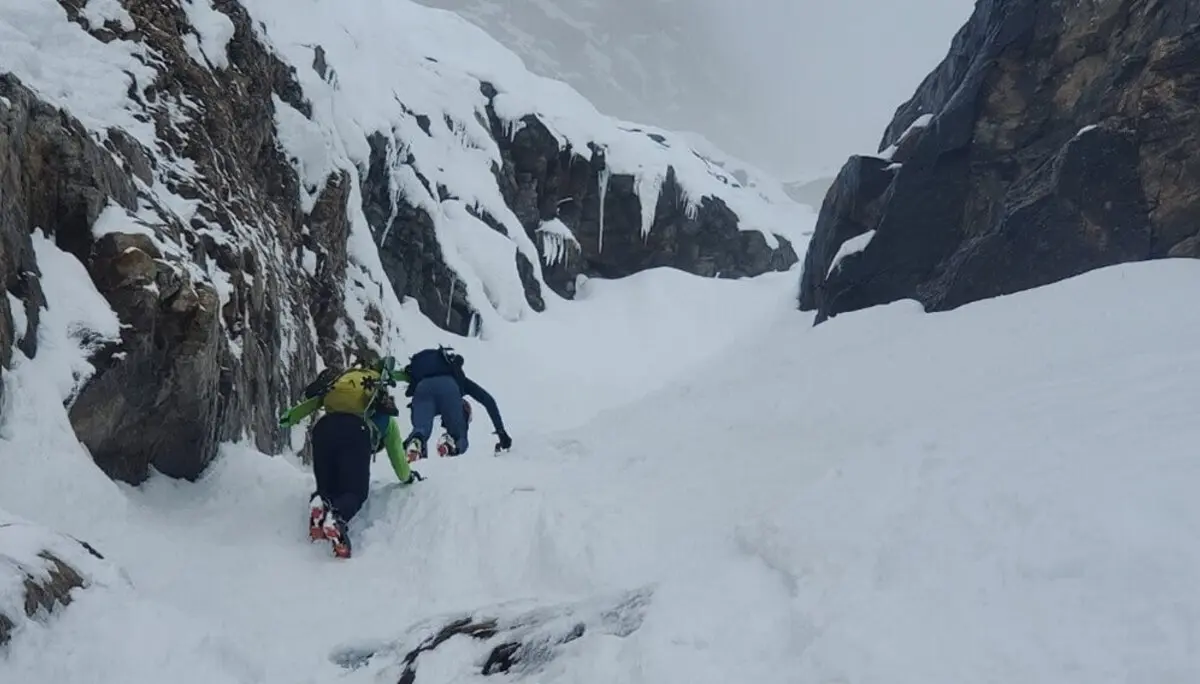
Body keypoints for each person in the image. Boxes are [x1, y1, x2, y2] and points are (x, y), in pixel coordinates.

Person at [278, 355, 422, 559]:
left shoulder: (339, 386)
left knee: (327, 487)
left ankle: (320, 502)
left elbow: (311, 404)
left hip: (323, 429)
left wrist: (288, 418)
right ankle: (336, 519)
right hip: (356, 433)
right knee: (355, 492)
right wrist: (408, 477)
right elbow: (398, 459)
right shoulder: (385, 419)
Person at [396, 346, 512, 461]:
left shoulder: (424, 374)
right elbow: (488, 400)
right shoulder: (458, 380)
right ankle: (450, 444)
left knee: (421, 428)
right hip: (449, 388)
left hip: (422, 388)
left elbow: (401, 375)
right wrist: (501, 432)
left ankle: (416, 441)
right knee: (459, 433)